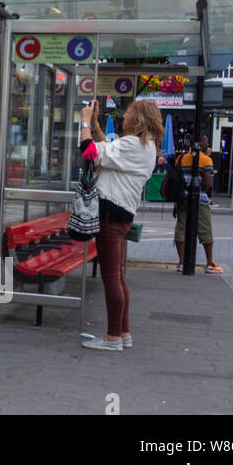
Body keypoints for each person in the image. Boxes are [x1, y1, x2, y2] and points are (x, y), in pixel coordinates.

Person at [79, 99, 162, 352]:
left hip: (110, 215)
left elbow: (90, 153)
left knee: (111, 277)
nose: (124, 117)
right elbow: (110, 149)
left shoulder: (133, 145)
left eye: (127, 114)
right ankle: (123, 332)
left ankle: (113, 336)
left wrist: (83, 122)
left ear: (137, 119)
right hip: (123, 214)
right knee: (118, 276)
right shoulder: (145, 146)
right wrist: (95, 127)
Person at [174, 137, 220, 273]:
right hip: (201, 199)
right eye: (205, 141)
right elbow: (207, 183)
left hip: (183, 199)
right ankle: (209, 263)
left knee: (181, 229)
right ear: (200, 144)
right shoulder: (206, 160)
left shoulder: (180, 159)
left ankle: (182, 262)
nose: (207, 143)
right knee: (205, 230)